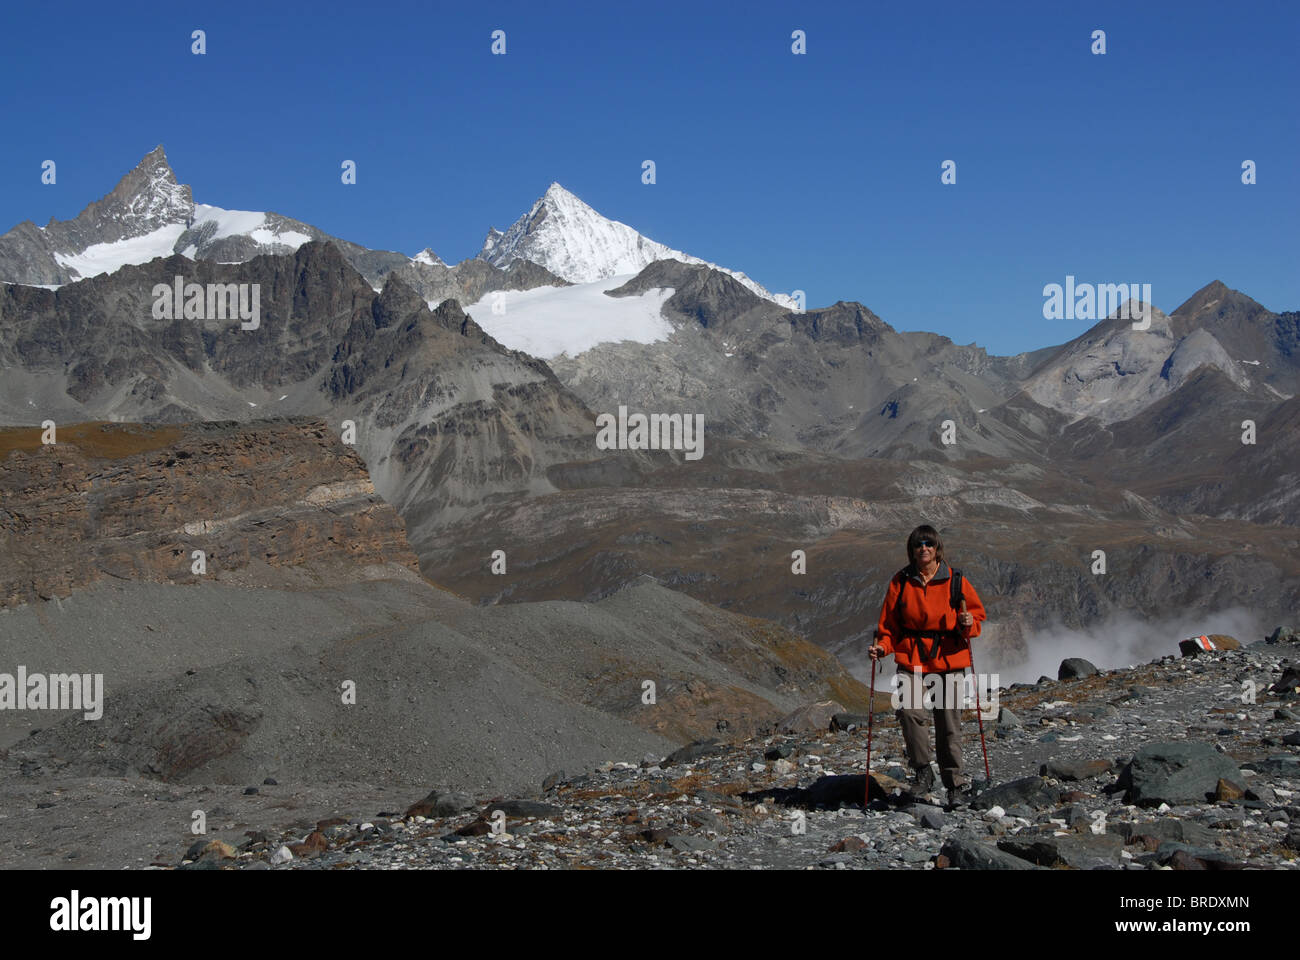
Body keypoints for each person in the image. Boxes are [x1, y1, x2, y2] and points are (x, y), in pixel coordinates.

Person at [867, 524, 987, 807]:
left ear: (937, 549)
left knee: (949, 723)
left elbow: (976, 616)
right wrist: (883, 647)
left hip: (948, 658)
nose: (924, 548)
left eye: (929, 544)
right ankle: (923, 771)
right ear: (912, 550)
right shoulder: (900, 581)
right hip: (911, 657)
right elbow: (889, 626)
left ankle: (954, 785)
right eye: (918, 544)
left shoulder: (955, 580)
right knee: (909, 713)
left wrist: (970, 623)